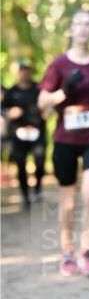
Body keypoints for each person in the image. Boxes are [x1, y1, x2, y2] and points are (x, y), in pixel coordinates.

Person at [37, 9, 89, 277]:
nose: (83, 28)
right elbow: (42, 102)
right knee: (68, 200)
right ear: (70, 29)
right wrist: (64, 91)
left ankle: (86, 252)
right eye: (78, 24)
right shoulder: (59, 64)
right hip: (65, 140)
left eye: (88, 24)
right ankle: (67, 252)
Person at [2, 61, 47, 209]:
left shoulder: (38, 89)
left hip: (37, 132)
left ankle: (38, 189)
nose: (25, 73)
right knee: (20, 164)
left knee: (40, 161)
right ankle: (25, 197)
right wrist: (9, 113)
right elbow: (3, 109)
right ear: (18, 73)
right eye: (22, 70)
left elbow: (49, 105)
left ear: (30, 72)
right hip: (18, 134)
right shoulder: (11, 92)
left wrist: (48, 112)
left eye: (27, 70)